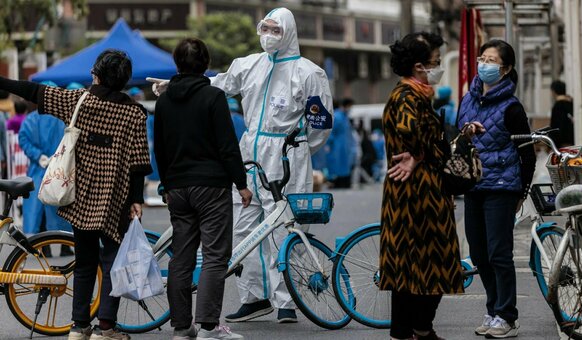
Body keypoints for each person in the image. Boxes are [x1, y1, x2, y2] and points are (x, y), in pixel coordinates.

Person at [150, 8, 333, 323]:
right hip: (251, 151)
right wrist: (174, 85)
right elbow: (214, 85)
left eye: (276, 30)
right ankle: (254, 297)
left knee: (283, 229)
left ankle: (286, 302)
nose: (269, 35)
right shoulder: (248, 65)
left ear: (288, 32)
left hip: (287, 152)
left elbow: (320, 124)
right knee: (243, 228)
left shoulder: (309, 73)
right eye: (265, 27)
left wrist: (300, 147)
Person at [0, 49, 152, 340]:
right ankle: (105, 327)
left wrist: (2, 81)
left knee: (84, 263)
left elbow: (33, 90)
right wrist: (136, 199)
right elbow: (138, 163)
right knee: (111, 263)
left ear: (97, 74)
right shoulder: (134, 113)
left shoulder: (78, 100)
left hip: (80, 196)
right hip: (115, 199)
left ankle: (78, 326)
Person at [155, 38, 250, 340]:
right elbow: (227, 146)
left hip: (178, 188)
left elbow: (160, 148)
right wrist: (242, 183)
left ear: (177, 64)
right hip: (211, 186)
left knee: (181, 257)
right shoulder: (213, 96)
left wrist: (166, 185)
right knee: (214, 255)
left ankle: (182, 328)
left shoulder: (164, 100)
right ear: (206, 64)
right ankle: (209, 326)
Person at [381, 32, 469, 340]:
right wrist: (426, 152)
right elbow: (415, 134)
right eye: (435, 62)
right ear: (419, 66)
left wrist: (422, 152)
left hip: (415, 189)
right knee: (433, 260)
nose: (438, 67)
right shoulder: (407, 96)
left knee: (411, 263)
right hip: (417, 193)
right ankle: (418, 328)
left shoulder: (413, 94)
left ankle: (409, 330)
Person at [457, 40, 536, 338]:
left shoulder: (512, 107)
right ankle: (492, 310)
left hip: (502, 188)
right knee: (478, 253)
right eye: (482, 58)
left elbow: (526, 152)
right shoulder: (467, 100)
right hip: (473, 185)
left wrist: (521, 191)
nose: (484, 64)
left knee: (499, 253)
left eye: (491, 60)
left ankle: (507, 316)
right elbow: (457, 142)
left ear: (505, 69)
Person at [18, 82, 72, 256]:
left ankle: (44, 247)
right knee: (61, 207)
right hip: (59, 170)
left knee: (39, 210)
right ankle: (64, 245)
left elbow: (23, 139)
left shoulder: (31, 119)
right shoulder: (63, 118)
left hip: (39, 169)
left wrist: (38, 156)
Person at [326, 99, 353, 188]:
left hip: (345, 145)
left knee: (344, 165)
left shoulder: (345, 116)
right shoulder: (337, 116)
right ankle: (336, 182)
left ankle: (342, 182)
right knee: (337, 164)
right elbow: (331, 131)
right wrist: (329, 143)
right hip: (337, 146)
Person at [549, 80, 574, 148]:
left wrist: (553, 144)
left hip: (562, 144)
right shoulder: (571, 103)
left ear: (554, 92)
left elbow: (556, 127)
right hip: (573, 141)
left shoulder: (558, 106)